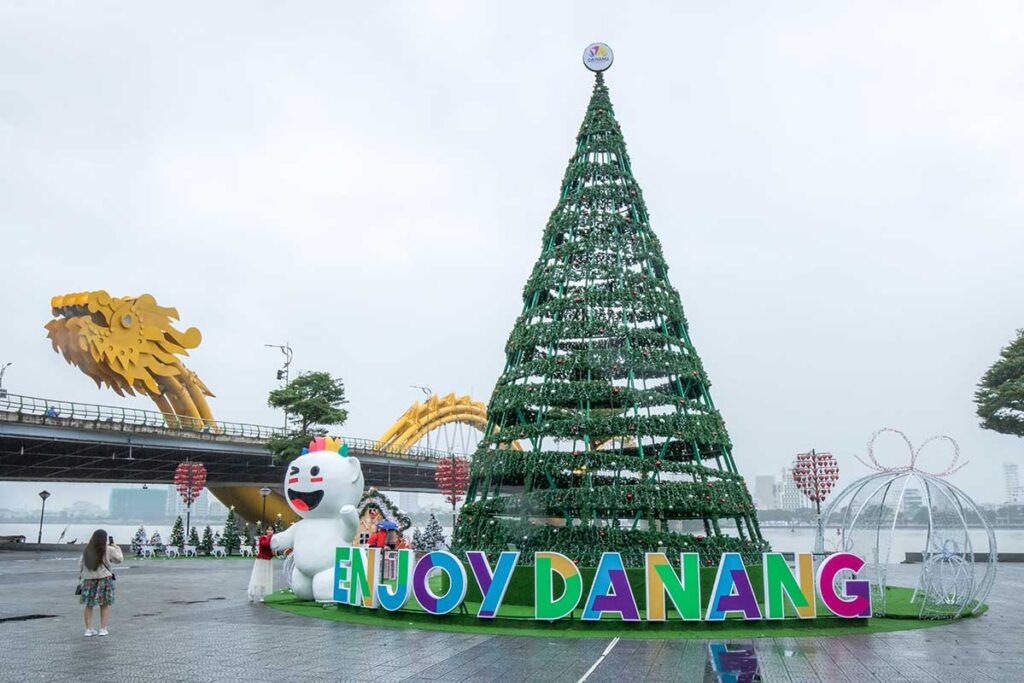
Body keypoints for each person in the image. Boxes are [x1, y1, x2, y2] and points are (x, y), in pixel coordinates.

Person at [78, 529, 123, 637]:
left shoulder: (87, 550)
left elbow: (80, 565)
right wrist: (117, 547)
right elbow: (119, 559)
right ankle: (103, 629)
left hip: (89, 580)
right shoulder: (108, 549)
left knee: (89, 604)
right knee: (104, 604)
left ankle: (88, 629)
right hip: (104, 579)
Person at [247, 527, 275, 602]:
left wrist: (273, 553)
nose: (269, 531)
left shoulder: (272, 539)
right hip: (261, 560)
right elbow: (265, 544)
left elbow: (271, 552)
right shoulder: (263, 537)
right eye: (268, 529)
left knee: (265, 578)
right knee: (257, 577)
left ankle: (261, 595)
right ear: (266, 530)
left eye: (271, 530)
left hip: (268, 561)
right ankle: (251, 593)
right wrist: (270, 537)